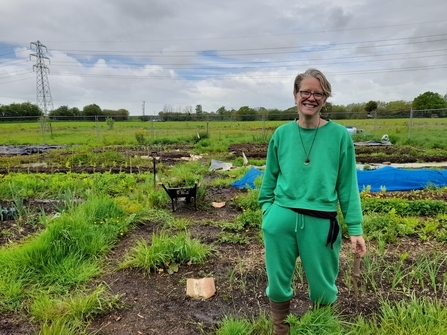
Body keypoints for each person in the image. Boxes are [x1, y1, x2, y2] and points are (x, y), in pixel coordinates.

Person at [258, 68, 367, 335]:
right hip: (281, 218)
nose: (311, 97)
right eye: (305, 91)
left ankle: (317, 328)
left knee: (322, 285)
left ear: (325, 98)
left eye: (318, 93)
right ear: (295, 95)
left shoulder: (339, 136)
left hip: (321, 222)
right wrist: (267, 212)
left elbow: (347, 185)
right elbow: (270, 178)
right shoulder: (281, 134)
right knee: (278, 282)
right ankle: (280, 329)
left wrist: (355, 228)